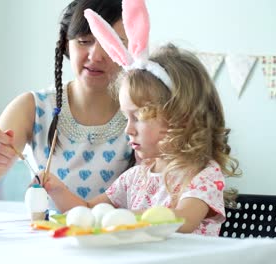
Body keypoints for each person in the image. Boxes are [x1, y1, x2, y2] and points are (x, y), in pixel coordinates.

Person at [41, 0, 240, 236]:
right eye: (127, 117)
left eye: (139, 117)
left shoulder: (202, 175)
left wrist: (125, 218)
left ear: (181, 117)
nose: (128, 130)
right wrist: (56, 190)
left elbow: (184, 220)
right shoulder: (136, 176)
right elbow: (89, 212)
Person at [0, 0, 134, 201]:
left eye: (110, 42)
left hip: (118, 231)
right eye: (84, 40)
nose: (95, 56)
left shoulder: (143, 111)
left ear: (132, 47)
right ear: (65, 45)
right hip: (50, 232)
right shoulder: (33, 107)